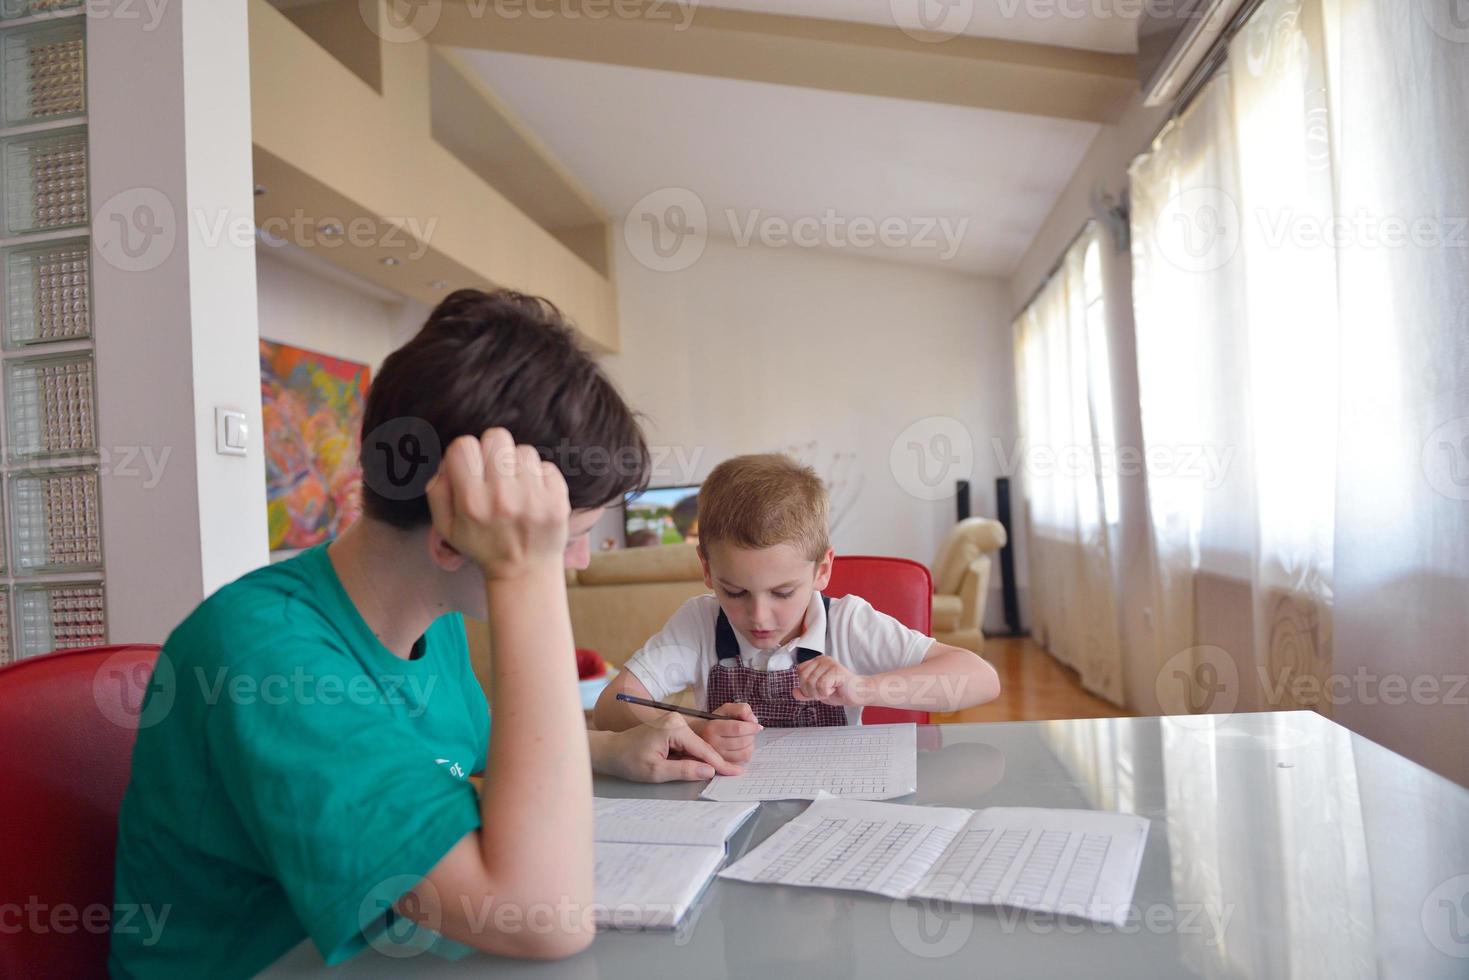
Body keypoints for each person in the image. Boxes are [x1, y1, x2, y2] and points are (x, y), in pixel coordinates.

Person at [110, 289, 740, 979]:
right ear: (453, 539)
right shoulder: (265, 656)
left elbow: (465, 754)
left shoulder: (429, 620)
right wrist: (525, 577)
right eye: (569, 539)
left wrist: (610, 750)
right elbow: (542, 920)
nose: (581, 562)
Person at [593, 454, 1002, 763]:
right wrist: (699, 726)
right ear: (706, 568)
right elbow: (612, 705)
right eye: (734, 592)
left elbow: (981, 679)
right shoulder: (698, 623)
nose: (759, 617)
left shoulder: (848, 623)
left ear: (822, 569)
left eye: (783, 592)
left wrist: (865, 688)